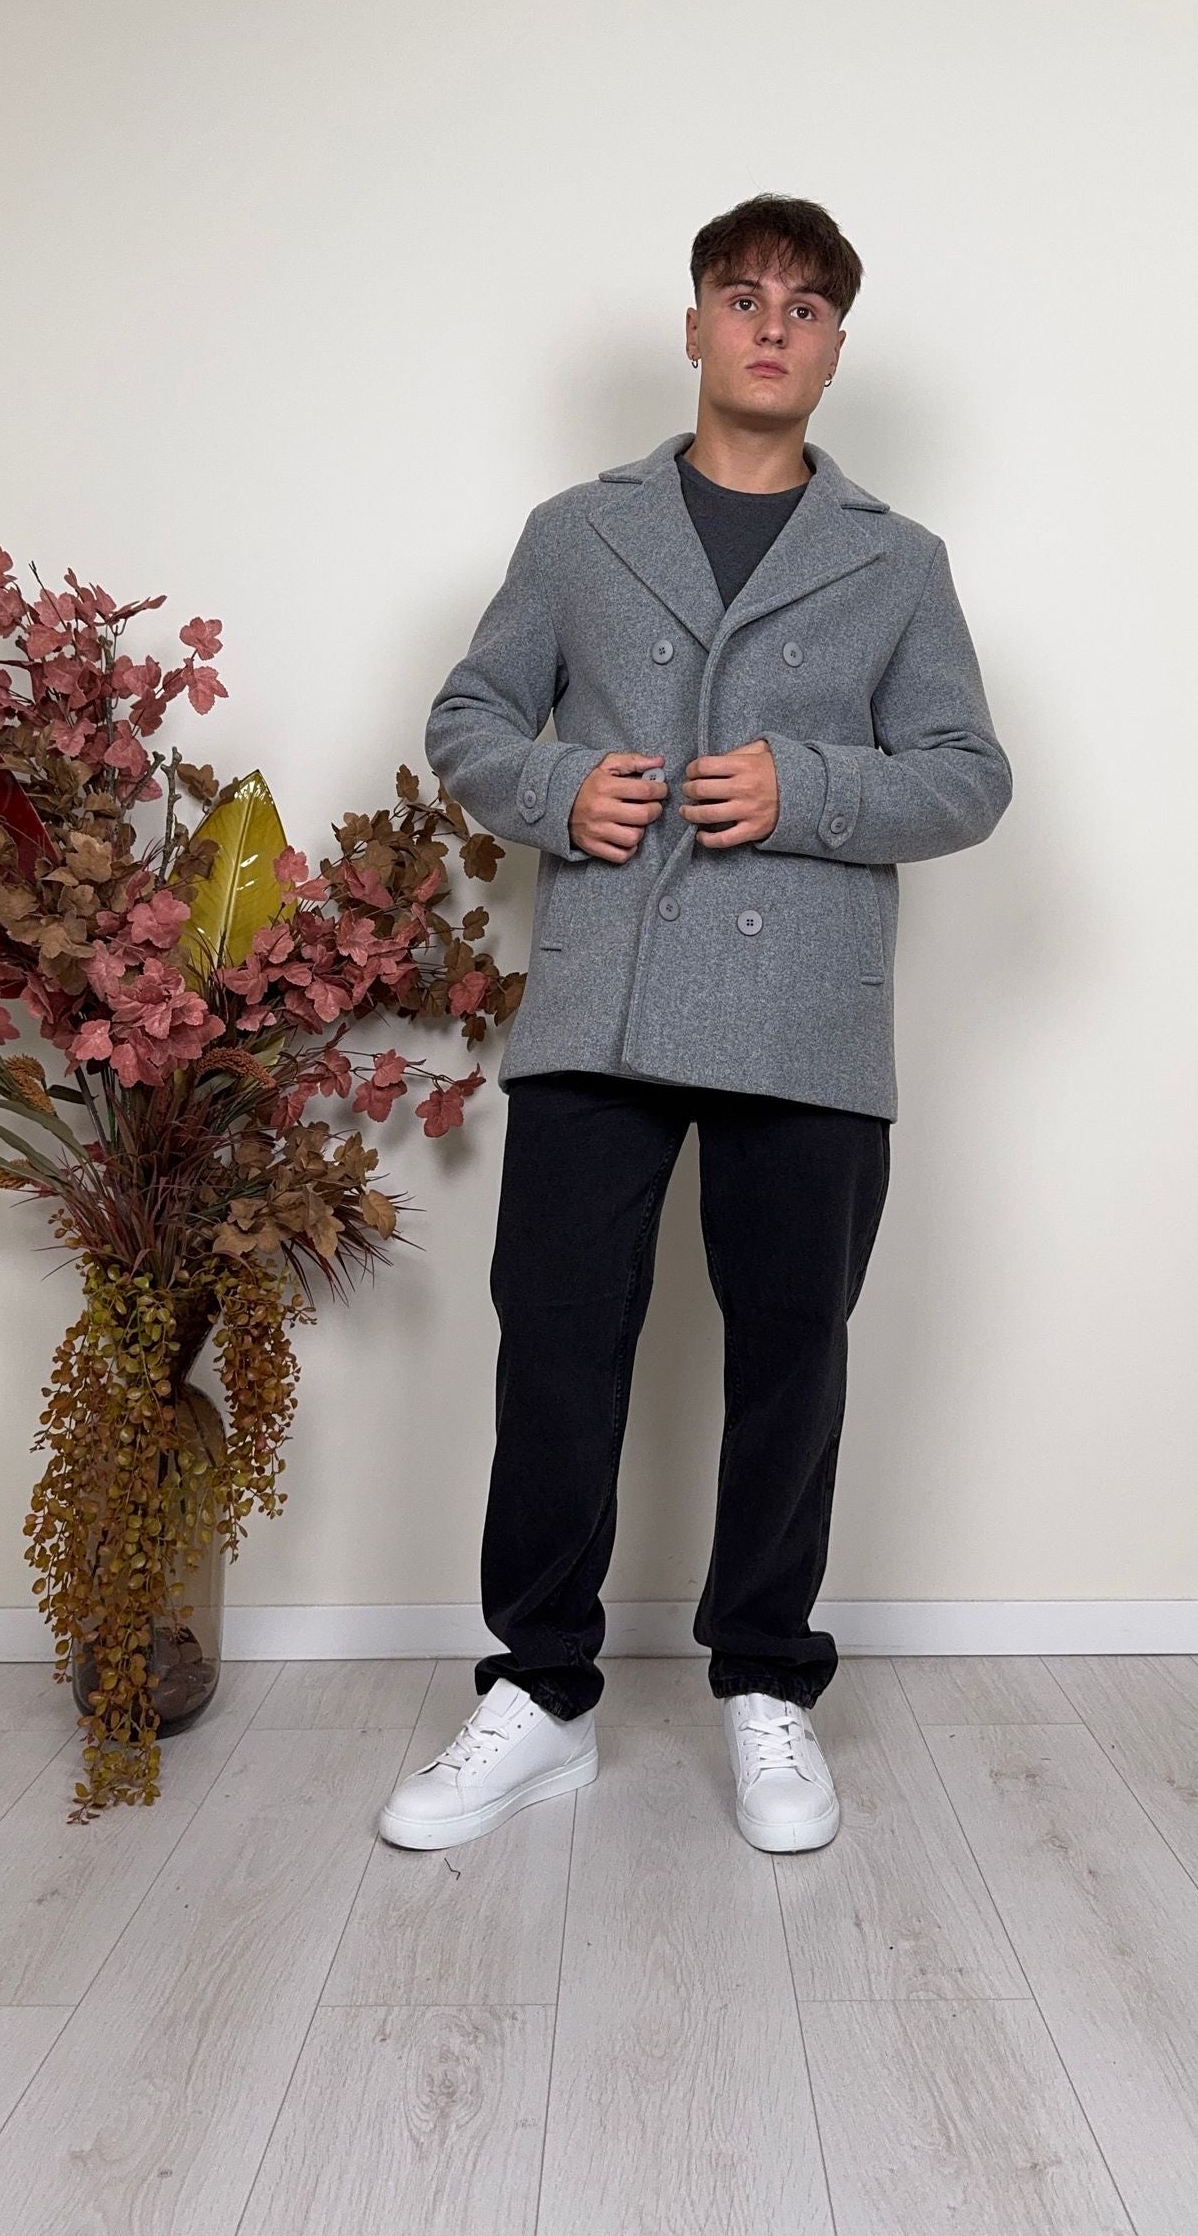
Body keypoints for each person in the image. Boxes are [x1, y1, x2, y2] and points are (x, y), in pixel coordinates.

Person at [379, 193, 1012, 1857]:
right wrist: (557, 788)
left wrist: (807, 789)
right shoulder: (576, 532)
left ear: (836, 348)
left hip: (807, 1012)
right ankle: (540, 1692)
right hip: (604, 996)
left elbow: (967, 777)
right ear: (694, 327)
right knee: (555, 1346)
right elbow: (470, 714)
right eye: (743, 296)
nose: (771, 326)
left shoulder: (899, 558)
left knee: (791, 1354)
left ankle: (766, 1683)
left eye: (805, 306)